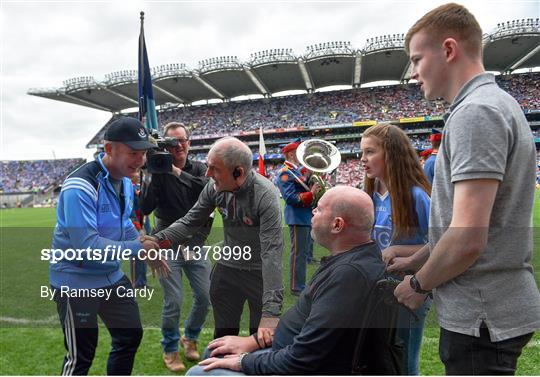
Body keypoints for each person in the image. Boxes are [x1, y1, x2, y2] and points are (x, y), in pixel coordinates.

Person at [392, 3, 540, 375]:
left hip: (481, 315)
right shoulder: (489, 104)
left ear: (448, 49)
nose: (412, 73)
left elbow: (469, 237)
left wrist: (418, 284)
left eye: (416, 59)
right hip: (489, 310)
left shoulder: (476, 112)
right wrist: (416, 259)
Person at [187, 186, 398, 375]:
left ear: (337, 225)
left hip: (298, 365)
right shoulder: (353, 259)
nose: (313, 212)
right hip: (288, 352)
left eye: (319, 208)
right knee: (215, 349)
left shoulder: (348, 275)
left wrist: (244, 361)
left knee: (198, 373)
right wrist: (252, 342)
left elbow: (302, 359)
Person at [49, 117, 169, 375]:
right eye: (133, 153)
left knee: (130, 335)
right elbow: (87, 246)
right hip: (75, 281)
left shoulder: (125, 179)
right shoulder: (79, 186)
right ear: (109, 150)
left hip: (110, 276)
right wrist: (139, 249)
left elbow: (123, 220)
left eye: (144, 153)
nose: (141, 160)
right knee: (81, 356)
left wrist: (141, 239)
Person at [147, 137, 284, 346]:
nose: (208, 174)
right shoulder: (213, 187)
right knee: (223, 338)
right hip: (227, 270)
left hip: (259, 273)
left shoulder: (266, 197)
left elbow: (271, 253)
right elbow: (190, 221)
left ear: (238, 172)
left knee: (261, 341)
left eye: (214, 169)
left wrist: (271, 311)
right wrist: (157, 239)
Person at [139, 122, 213, 372]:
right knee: (174, 299)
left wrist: (175, 172)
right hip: (166, 243)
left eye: (182, 140)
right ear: (164, 146)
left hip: (194, 243)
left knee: (205, 296)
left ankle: (190, 337)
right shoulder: (157, 171)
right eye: (172, 142)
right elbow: (146, 207)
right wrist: (148, 175)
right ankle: (170, 348)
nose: (178, 145)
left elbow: (209, 190)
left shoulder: (201, 168)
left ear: (189, 143)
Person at [360, 123, 431, 375]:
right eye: (362, 153)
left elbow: (442, 242)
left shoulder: (416, 195)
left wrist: (401, 252)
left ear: (390, 153)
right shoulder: (366, 193)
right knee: (378, 359)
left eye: (369, 152)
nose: (363, 159)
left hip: (408, 288)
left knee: (404, 362)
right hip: (374, 289)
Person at [276, 139, 319, 296]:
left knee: (302, 253)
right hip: (296, 216)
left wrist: (311, 177)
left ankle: (300, 283)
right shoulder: (284, 173)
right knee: (298, 254)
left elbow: (302, 186)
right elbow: (290, 197)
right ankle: (296, 286)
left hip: (304, 215)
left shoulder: (295, 171)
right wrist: (311, 193)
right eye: (300, 153)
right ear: (292, 154)